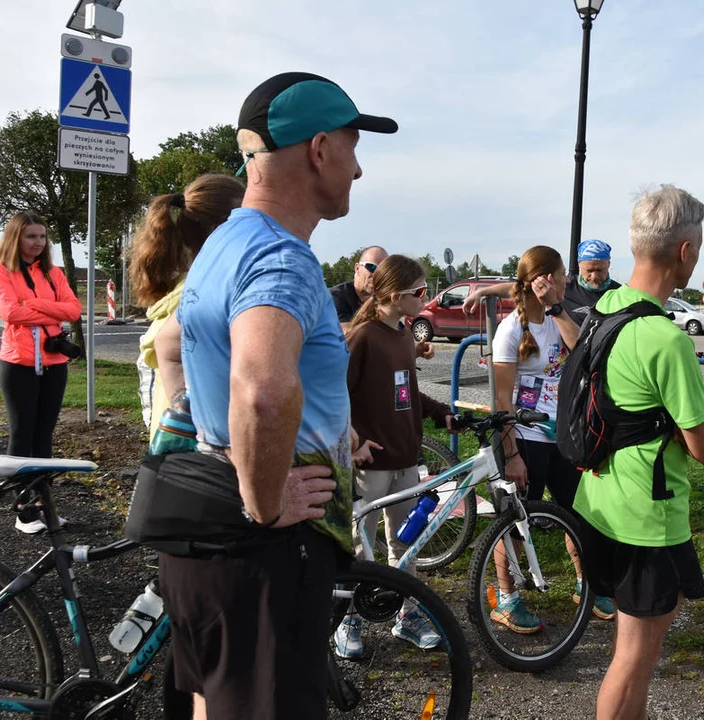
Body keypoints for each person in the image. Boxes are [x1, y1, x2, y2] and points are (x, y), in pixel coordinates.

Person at [153, 71, 397, 720]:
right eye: (352, 146)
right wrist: (264, 503)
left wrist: (328, 427)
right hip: (263, 552)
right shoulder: (282, 257)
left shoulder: (223, 242)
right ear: (319, 149)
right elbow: (261, 390)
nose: (359, 169)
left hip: (206, 541)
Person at [573, 186, 704, 720]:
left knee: (631, 656)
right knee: (632, 658)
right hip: (647, 518)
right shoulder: (666, 339)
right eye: (698, 245)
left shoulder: (604, 307)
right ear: (685, 251)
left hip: (598, 500)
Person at [332, 254, 453, 658]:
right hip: (371, 463)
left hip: (405, 457)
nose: (426, 298)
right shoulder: (363, 337)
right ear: (393, 296)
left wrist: (439, 412)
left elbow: (404, 391)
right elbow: (335, 396)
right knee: (361, 549)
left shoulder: (403, 334)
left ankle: (408, 615)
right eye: (419, 292)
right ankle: (347, 621)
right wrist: (355, 442)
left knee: (406, 544)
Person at [490, 245, 615, 632]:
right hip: (523, 440)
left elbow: (583, 352)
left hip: (561, 437)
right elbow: (500, 398)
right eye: (562, 274)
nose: (569, 280)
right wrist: (511, 454)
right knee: (512, 520)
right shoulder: (511, 330)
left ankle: (586, 585)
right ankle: (507, 598)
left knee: (578, 513)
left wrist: (556, 308)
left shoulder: (560, 318)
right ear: (543, 279)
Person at [130, 174, 245, 433]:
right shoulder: (207, 293)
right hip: (199, 446)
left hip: (173, 437)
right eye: (248, 217)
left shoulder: (188, 285)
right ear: (223, 229)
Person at [0, 212, 82, 533]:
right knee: (21, 437)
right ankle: (24, 513)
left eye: (42, 237)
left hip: (54, 365)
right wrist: (46, 307)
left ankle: (45, 507)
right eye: (31, 237)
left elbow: (73, 310)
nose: (37, 243)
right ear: (16, 238)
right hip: (18, 365)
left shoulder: (53, 273)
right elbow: (9, 311)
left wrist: (34, 303)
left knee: (44, 438)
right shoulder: (1, 271)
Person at [463, 238, 622, 323]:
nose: (594, 276)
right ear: (579, 265)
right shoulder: (565, 285)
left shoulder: (620, 294)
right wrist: (482, 292)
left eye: (600, 270)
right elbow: (521, 287)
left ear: (609, 264)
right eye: (589, 271)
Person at [329, 244, 388, 328]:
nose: (376, 274)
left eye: (382, 271)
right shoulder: (336, 296)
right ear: (357, 268)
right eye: (372, 267)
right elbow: (346, 334)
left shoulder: (383, 300)